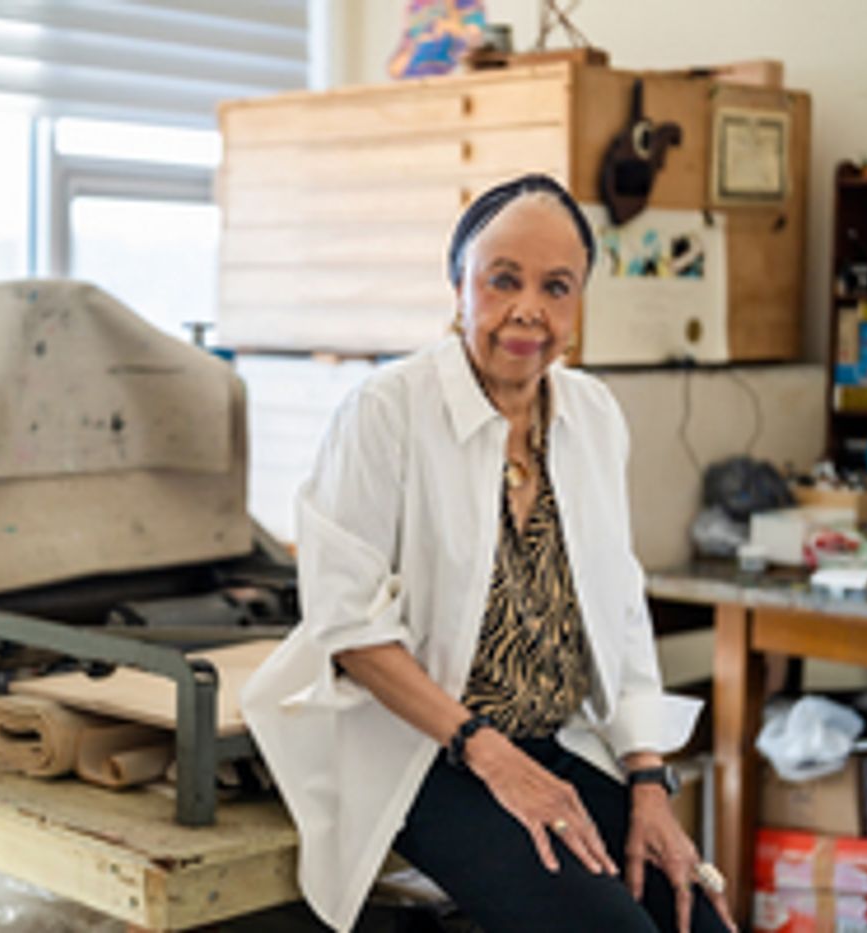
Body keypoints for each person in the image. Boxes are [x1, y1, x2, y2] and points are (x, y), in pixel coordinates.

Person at [241, 174, 737, 933]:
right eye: (502, 279)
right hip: (426, 755)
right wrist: (487, 751)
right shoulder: (387, 410)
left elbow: (620, 605)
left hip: (553, 744)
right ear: (459, 286)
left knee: (695, 916)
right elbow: (349, 625)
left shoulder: (594, 416)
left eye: (556, 286)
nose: (528, 309)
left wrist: (648, 781)